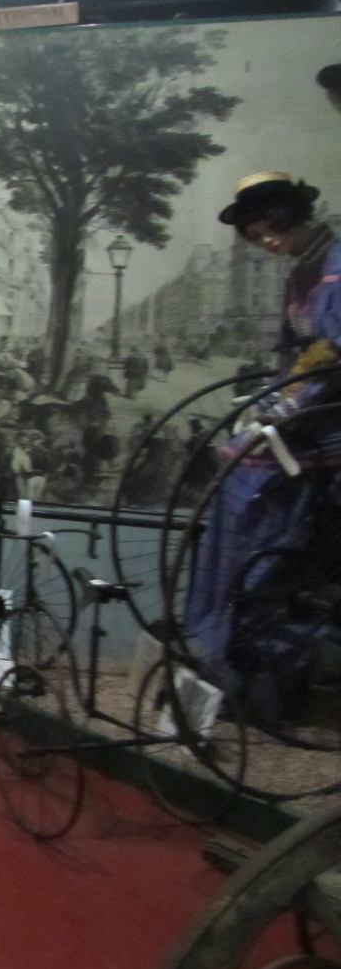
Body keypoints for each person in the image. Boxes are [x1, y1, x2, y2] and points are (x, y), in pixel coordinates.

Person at [187, 172, 341, 721]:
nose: (266, 243)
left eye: (271, 229)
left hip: (329, 424)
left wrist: (285, 407)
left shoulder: (335, 265)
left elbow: (330, 356)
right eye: (256, 236)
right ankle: (222, 640)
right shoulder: (302, 270)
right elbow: (290, 352)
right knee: (235, 454)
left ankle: (263, 673)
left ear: (294, 217)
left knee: (264, 515)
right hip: (303, 413)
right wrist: (267, 400)